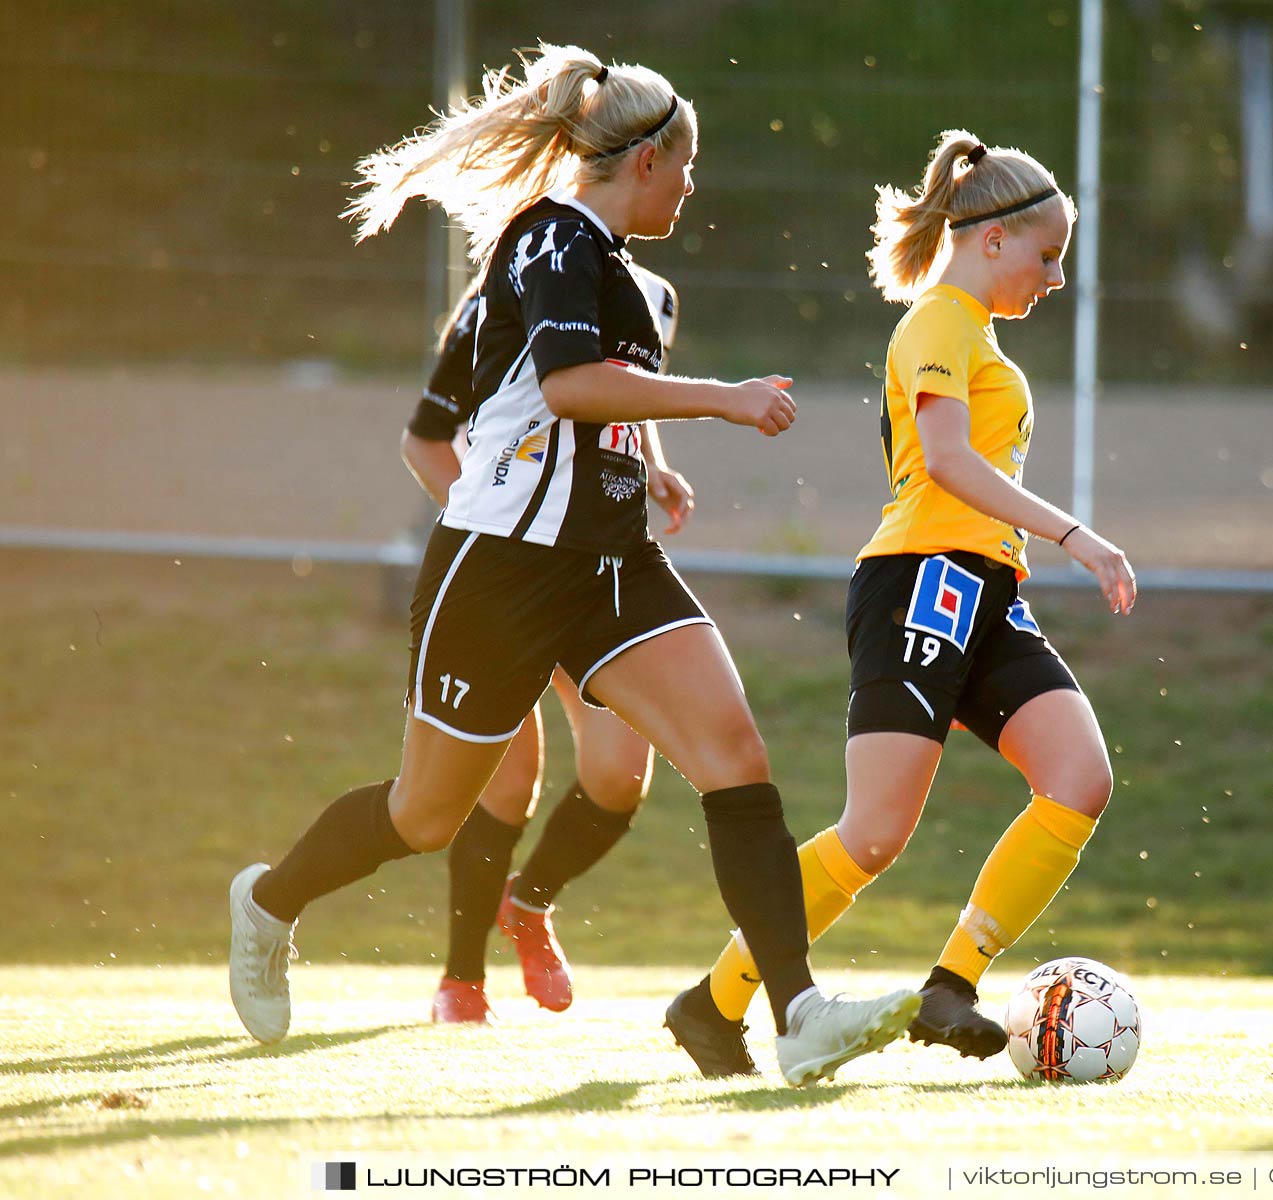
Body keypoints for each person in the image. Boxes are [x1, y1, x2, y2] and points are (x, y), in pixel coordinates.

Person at [227, 44, 919, 1087]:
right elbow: (564, 389)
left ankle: (799, 1011)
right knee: (424, 816)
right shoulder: (554, 236)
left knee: (735, 752)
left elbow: (594, 410)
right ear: (645, 162)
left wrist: (647, 468)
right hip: (501, 570)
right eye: (687, 165)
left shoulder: (629, 277)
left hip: (609, 567)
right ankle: (268, 903)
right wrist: (722, 397)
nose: (694, 184)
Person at [662, 130, 1136, 1077]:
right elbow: (950, 464)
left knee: (1080, 778)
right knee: (872, 835)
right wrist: (1075, 534)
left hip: (985, 591)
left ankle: (951, 984)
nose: (1052, 278)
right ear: (993, 239)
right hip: (920, 580)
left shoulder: (977, 332)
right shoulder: (937, 323)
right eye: (1047, 257)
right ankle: (714, 1004)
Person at [402, 265, 693, 1024]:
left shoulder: (651, 292)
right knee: (506, 778)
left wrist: (653, 468)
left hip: (594, 572)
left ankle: (529, 905)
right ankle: (461, 981)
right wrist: (506, 532)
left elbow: (622, 388)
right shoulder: (509, 290)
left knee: (621, 774)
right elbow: (425, 443)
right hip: (509, 572)